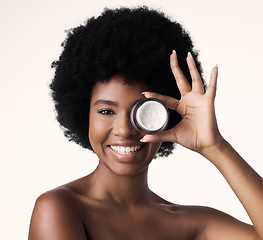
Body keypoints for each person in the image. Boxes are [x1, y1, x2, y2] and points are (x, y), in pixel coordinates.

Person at [28, 6, 263, 240]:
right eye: (106, 111)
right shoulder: (60, 208)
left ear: (167, 117)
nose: (124, 130)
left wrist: (215, 147)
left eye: (143, 112)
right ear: (83, 114)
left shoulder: (192, 224)